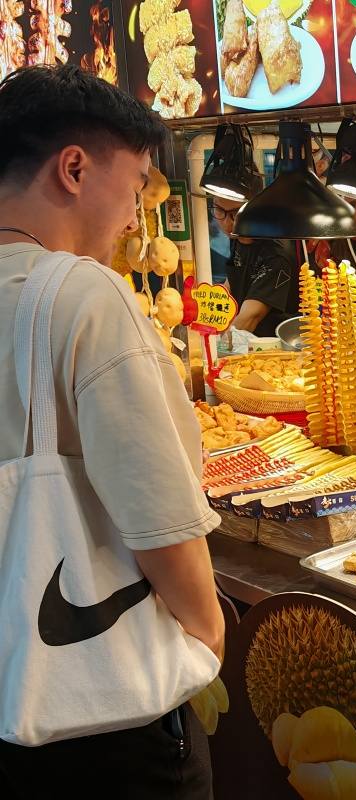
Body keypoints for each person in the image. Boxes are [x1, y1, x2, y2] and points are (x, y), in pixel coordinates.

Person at [0, 66, 223, 796]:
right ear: (73, 168)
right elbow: (160, 513)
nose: (133, 219)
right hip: (95, 713)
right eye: (135, 187)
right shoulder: (81, 294)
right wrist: (206, 632)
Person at [211, 181, 300, 337]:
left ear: (257, 208)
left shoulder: (276, 255)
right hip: (245, 340)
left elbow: (249, 319)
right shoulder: (237, 235)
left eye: (235, 213)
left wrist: (217, 343)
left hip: (272, 345)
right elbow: (232, 280)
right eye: (219, 210)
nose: (226, 222)